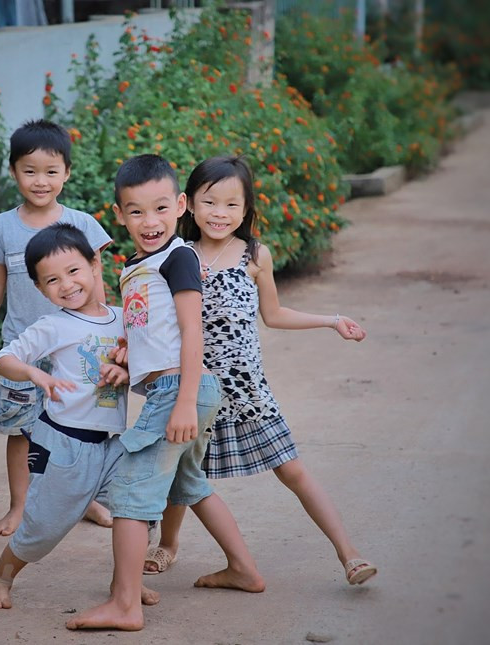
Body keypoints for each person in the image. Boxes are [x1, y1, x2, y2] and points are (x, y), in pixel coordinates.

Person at [142, 155, 377, 586]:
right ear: (189, 204)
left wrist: (330, 320)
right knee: (183, 473)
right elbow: (154, 322)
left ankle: (350, 554)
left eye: (233, 205)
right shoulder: (177, 256)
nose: (220, 213)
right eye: (210, 202)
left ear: (247, 209)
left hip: (249, 391)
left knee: (293, 470)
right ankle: (169, 546)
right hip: (196, 390)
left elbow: (274, 313)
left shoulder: (255, 254)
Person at [66, 155, 264, 633]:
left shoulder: (178, 257)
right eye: (135, 211)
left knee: (130, 490)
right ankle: (244, 570)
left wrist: (180, 401)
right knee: (187, 485)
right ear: (118, 214)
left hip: (182, 390)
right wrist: (126, 361)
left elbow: (192, 332)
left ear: (180, 206)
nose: (148, 221)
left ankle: (124, 603)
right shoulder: (139, 264)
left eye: (159, 208)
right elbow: (152, 331)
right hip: (176, 388)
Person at [0, 223, 148, 610]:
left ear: (94, 264)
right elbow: (3, 360)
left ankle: (124, 585)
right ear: (41, 290)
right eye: (52, 280)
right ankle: (1, 577)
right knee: (43, 527)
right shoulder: (54, 325)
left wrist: (127, 369)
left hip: (109, 443)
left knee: (137, 507)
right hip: (63, 444)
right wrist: (35, 373)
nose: (67, 284)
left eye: (73, 271)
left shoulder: (124, 317)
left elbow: (147, 358)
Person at [0, 119, 113, 537]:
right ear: (14, 171)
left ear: (67, 172)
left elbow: (98, 280)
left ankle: (84, 499)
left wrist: (106, 333)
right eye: (29, 171)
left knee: (82, 428)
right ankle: (20, 507)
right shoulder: (1, 227)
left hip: (77, 348)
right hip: (24, 349)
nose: (40, 181)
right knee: (21, 431)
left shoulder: (83, 224)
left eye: (51, 171)